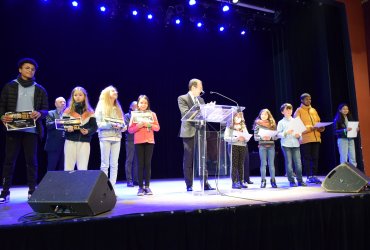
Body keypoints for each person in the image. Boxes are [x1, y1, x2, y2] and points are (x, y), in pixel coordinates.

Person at [0, 58, 48, 203]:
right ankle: (5, 192)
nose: (30, 71)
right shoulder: (10, 86)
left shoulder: (40, 89)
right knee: (9, 161)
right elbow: (2, 106)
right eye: (27, 68)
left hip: (31, 130)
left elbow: (45, 109)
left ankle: (32, 190)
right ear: (20, 70)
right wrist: (2, 116)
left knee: (32, 161)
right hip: (13, 129)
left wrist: (40, 113)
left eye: (33, 69)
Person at [178, 78, 215, 192]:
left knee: (203, 158)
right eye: (200, 87)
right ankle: (189, 184)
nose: (202, 89)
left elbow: (204, 116)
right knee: (188, 158)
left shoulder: (201, 100)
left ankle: (205, 183)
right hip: (189, 131)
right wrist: (201, 110)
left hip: (201, 132)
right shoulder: (182, 98)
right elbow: (186, 114)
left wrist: (209, 110)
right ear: (193, 87)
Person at [128, 95, 160, 196]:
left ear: (148, 104)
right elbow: (130, 130)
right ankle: (140, 187)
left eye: (145, 103)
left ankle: (147, 186)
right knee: (140, 164)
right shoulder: (134, 115)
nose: (143, 105)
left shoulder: (152, 114)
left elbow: (157, 128)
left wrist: (148, 124)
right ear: (138, 104)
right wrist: (138, 126)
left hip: (149, 141)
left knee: (147, 164)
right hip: (139, 141)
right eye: (141, 103)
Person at [95, 86, 126, 187]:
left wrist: (122, 127)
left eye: (115, 90)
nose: (115, 92)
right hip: (105, 137)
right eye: (113, 91)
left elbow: (122, 123)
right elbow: (98, 124)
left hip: (117, 137)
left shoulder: (118, 107)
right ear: (107, 93)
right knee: (105, 164)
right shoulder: (101, 107)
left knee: (114, 164)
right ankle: (103, 187)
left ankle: (112, 188)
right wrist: (110, 125)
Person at [63, 86, 97, 171]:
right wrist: (68, 128)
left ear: (84, 96)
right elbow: (63, 125)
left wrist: (88, 131)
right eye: (75, 95)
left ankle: (82, 184)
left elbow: (94, 126)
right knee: (68, 167)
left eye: (80, 95)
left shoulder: (90, 111)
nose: (77, 97)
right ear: (72, 97)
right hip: (70, 141)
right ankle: (69, 184)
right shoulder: (67, 111)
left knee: (83, 167)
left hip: (84, 142)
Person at [293, 93, 324, 184]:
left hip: (316, 138)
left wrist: (321, 127)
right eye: (306, 99)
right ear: (302, 100)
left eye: (310, 99)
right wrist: (311, 128)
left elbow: (318, 121)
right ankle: (309, 176)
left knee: (315, 157)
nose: (309, 101)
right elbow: (298, 127)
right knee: (307, 158)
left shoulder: (313, 110)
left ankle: (314, 175)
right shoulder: (298, 111)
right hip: (305, 139)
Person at [277, 103, 307, 187]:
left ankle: (300, 180)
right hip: (286, 145)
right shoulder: (281, 122)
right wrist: (286, 132)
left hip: (295, 144)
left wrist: (299, 136)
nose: (289, 111)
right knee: (289, 163)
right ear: (282, 112)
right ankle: (291, 181)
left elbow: (300, 134)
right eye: (287, 109)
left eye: (290, 109)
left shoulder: (296, 121)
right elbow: (278, 134)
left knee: (298, 163)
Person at [253, 108, 278, 188]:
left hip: (271, 146)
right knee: (263, 164)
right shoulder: (257, 125)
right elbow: (255, 138)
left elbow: (276, 137)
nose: (264, 116)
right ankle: (263, 181)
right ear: (260, 115)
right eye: (262, 114)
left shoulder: (272, 124)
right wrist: (262, 137)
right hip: (262, 146)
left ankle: (273, 180)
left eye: (265, 114)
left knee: (271, 164)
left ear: (268, 115)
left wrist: (270, 137)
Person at [224, 111, 249, 189]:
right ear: (233, 117)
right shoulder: (229, 127)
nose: (238, 118)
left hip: (242, 146)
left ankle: (241, 181)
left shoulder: (243, 127)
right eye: (236, 116)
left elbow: (247, 137)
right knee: (234, 165)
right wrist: (236, 138)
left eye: (240, 116)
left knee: (241, 164)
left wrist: (245, 138)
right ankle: (234, 182)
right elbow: (226, 138)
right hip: (233, 146)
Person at [44, 97, 66, 171]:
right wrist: (61, 121)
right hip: (53, 145)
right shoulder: (50, 113)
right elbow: (48, 125)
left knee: (63, 168)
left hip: (65, 145)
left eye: (64, 102)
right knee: (51, 167)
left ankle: (62, 182)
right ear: (55, 104)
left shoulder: (68, 114)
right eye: (61, 102)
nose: (63, 103)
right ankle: (49, 182)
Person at [124, 101, 139, 187]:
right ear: (131, 107)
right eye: (135, 106)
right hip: (130, 140)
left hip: (139, 140)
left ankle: (136, 180)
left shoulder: (141, 116)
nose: (137, 107)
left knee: (137, 161)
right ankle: (129, 180)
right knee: (129, 160)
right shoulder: (127, 116)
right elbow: (128, 128)